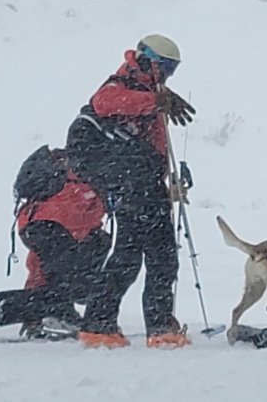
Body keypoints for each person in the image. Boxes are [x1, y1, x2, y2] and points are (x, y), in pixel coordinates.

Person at [66, 34, 195, 348]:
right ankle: (154, 326)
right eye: (164, 67)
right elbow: (104, 102)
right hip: (131, 184)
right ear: (147, 59)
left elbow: (154, 146)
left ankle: (102, 324)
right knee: (153, 255)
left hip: (139, 183)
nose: (166, 75)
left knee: (136, 255)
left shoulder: (149, 91)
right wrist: (156, 100)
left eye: (172, 70)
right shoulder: (123, 84)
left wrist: (165, 182)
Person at [0, 152, 110, 342]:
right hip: (56, 224)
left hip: (37, 222)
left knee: (63, 280)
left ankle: (49, 315)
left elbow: (39, 270)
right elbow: (78, 215)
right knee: (77, 284)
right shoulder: (94, 180)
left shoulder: (73, 178)